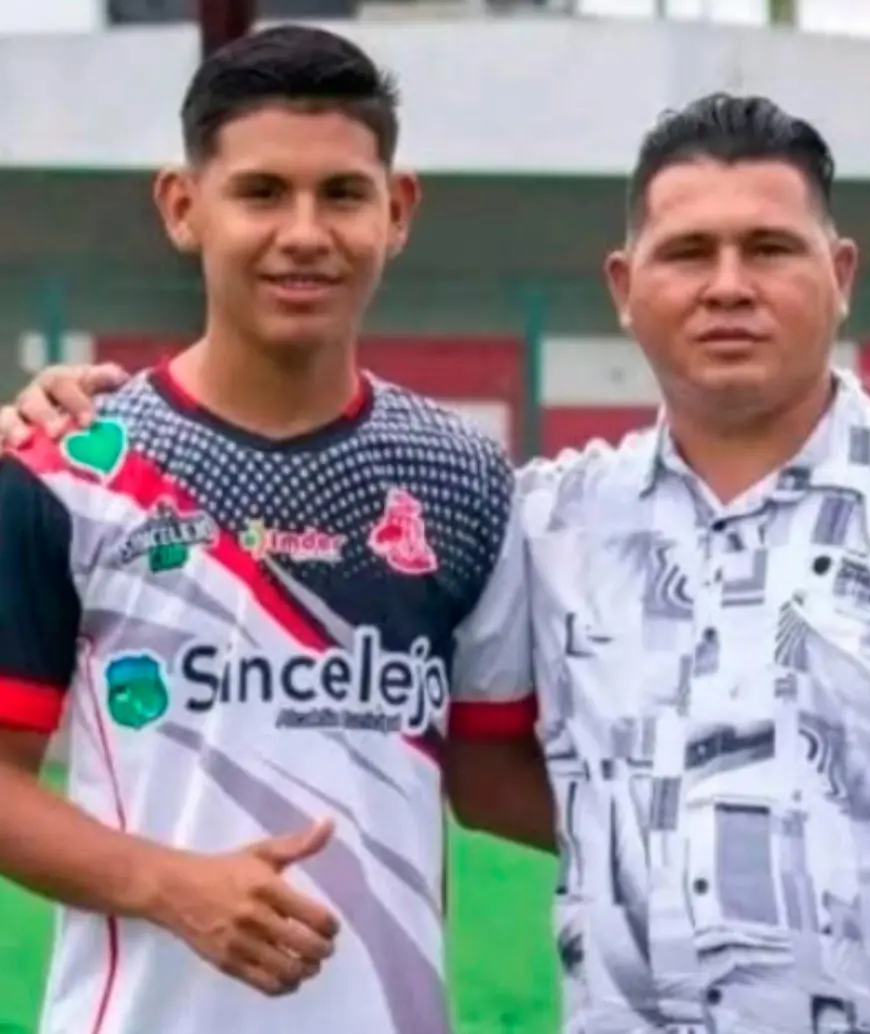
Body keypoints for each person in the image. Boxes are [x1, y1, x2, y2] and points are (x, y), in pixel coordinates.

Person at [9, 92, 870, 1034]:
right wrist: (54, 415)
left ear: (839, 274)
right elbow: (485, 768)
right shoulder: (544, 516)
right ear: (625, 289)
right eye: (688, 252)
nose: (728, 286)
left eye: (768, 247)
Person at [0, 24, 542, 1034]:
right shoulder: (68, 465)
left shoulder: (464, 480)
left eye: (342, 193)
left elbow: (491, 775)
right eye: (260, 193)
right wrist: (170, 883)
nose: (304, 232)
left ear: (398, 211)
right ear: (183, 206)